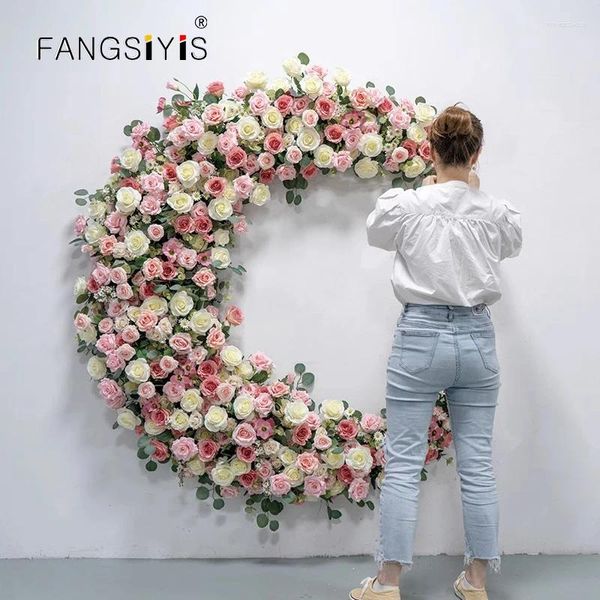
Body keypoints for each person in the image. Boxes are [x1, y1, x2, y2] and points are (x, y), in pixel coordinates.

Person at [348, 104, 523, 600]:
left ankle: (387, 584)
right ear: (477, 153)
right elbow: (511, 245)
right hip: (477, 339)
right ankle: (476, 582)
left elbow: (376, 234)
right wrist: (472, 191)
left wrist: (430, 189)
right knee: (478, 464)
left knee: (403, 462)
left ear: (431, 150)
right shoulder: (495, 212)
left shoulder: (406, 205)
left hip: (420, 337)